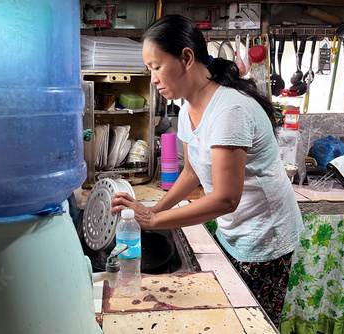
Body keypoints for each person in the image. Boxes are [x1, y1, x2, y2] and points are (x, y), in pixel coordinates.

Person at [110, 14, 304, 328]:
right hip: (235, 231)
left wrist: (156, 220)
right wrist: (152, 209)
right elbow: (192, 173)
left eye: (156, 67)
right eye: (149, 70)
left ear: (186, 57)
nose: (153, 79)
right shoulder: (187, 108)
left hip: (265, 235)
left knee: (252, 322)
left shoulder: (229, 109)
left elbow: (226, 199)